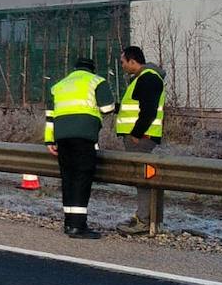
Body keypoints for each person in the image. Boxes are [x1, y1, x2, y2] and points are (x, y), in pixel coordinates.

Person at [44, 57, 115, 239]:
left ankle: (69, 224)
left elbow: (50, 117)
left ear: (74, 69)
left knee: (68, 179)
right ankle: (78, 227)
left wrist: (49, 141)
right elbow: (107, 108)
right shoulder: (96, 81)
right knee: (82, 179)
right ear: (92, 69)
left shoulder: (59, 86)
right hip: (84, 137)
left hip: (61, 138)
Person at [114, 46, 166, 235]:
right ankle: (146, 218)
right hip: (141, 137)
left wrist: (135, 134)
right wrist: (116, 107)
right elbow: (136, 107)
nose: (122, 66)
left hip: (141, 138)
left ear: (132, 61)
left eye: (123, 62)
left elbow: (149, 111)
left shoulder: (148, 78)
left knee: (142, 179)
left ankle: (144, 221)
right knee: (145, 178)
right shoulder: (142, 79)